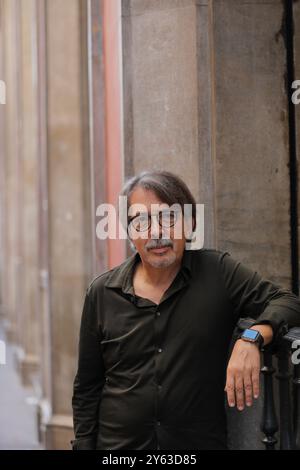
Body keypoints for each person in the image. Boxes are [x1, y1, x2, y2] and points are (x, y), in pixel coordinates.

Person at [72, 170, 300, 450]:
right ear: (130, 232)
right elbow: (87, 387)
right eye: (141, 221)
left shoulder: (218, 273)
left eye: (169, 218)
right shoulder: (102, 293)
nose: (156, 232)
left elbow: (288, 301)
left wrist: (253, 337)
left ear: (190, 223)